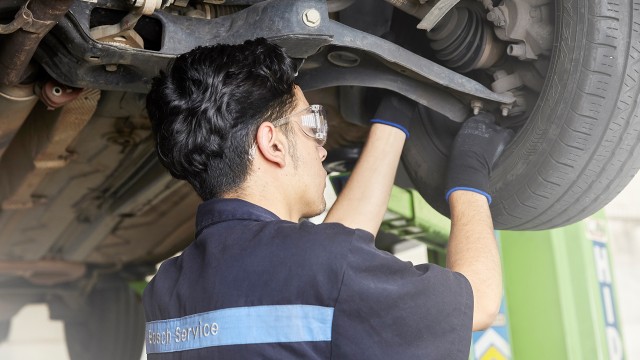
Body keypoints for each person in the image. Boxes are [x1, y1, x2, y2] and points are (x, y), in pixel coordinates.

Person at [143, 38, 512, 359]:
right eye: (310, 125)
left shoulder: (166, 291)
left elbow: (323, 277)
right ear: (272, 144)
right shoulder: (323, 268)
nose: (321, 148)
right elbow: (477, 300)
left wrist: (393, 121)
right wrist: (470, 179)